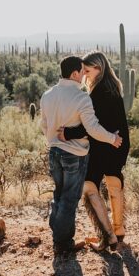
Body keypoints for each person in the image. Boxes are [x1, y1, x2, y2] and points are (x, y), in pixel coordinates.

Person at [39, 56, 123, 255]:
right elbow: (92, 128)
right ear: (75, 73)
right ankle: (62, 243)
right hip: (75, 155)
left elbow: (43, 125)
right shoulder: (81, 97)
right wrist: (112, 139)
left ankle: (59, 239)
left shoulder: (47, 95)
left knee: (58, 195)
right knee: (69, 199)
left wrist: (54, 139)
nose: (84, 77)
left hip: (54, 152)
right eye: (82, 72)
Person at [59, 51, 130, 251]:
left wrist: (69, 133)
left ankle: (107, 236)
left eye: (88, 70)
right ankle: (118, 231)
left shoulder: (99, 92)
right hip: (119, 144)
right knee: (115, 183)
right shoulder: (113, 88)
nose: (85, 74)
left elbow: (92, 126)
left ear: (99, 68)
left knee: (90, 186)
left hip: (105, 146)